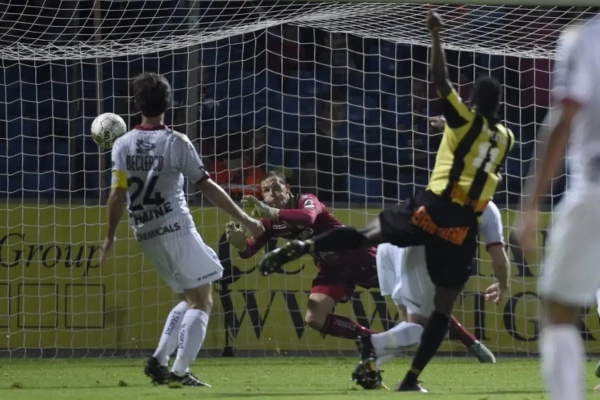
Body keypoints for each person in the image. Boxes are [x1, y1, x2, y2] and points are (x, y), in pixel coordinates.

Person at [258, 10, 514, 392]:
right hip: (459, 228)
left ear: (472, 101)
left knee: (363, 235)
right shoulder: (506, 137)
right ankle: (407, 378)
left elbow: (441, 79)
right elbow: (480, 152)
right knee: (438, 314)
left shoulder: (463, 117)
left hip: (427, 209)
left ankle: (304, 245)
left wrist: (435, 35)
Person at [99, 72, 263, 387]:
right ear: (169, 103)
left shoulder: (121, 144)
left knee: (189, 297)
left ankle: (159, 360)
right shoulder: (176, 142)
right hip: (175, 228)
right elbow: (207, 186)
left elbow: (117, 194)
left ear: (136, 104)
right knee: (203, 300)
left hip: (144, 233)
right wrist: (245, 218)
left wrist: (110, 235)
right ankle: (180, 372)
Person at [225, 171, 423, 348]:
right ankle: (375, 340)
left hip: (357, 256)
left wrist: (272, 212)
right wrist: (241, 244)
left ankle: (437, 333)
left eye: (276, 187)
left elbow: (308, 217)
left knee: (412, 301)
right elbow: (249, 251)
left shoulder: (306, 200)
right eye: (266, 191)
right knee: (314, 318)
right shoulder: (270, 222)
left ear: (287, 188)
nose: (272, 194)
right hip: (331, 269)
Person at [516, 18, 600, 400]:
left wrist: (531, 205)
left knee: (558, 312)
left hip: (593, 188)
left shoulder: (584, 37)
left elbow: (562, 121)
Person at [352, 201, 508, 389]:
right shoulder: (486, 206)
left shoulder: (441, 190)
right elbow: (499, 260)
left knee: (408, 323)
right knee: (424, 326)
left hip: (390, 241)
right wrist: (503, 285)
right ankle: (373, 342)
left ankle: (370, 367)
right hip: (417, 245)